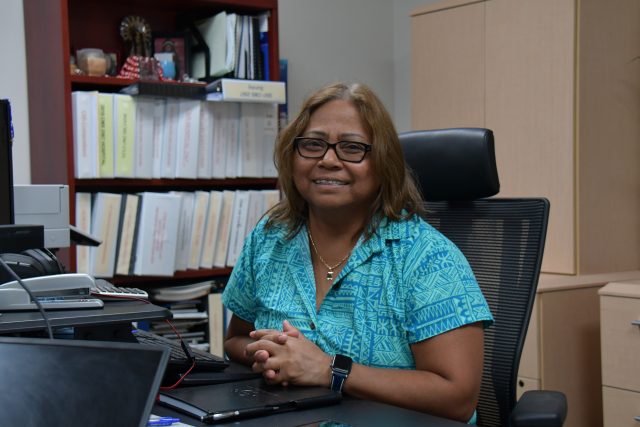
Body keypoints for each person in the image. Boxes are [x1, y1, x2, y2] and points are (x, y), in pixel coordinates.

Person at [221, 82, 493, 423]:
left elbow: (457, 398)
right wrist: (272, 353)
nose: (328, 160)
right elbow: (235, 340)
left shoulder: (427, 258)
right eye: (313, 145)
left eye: (351, 148)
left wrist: (330, 370)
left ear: (383, 164)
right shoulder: (269, 239)